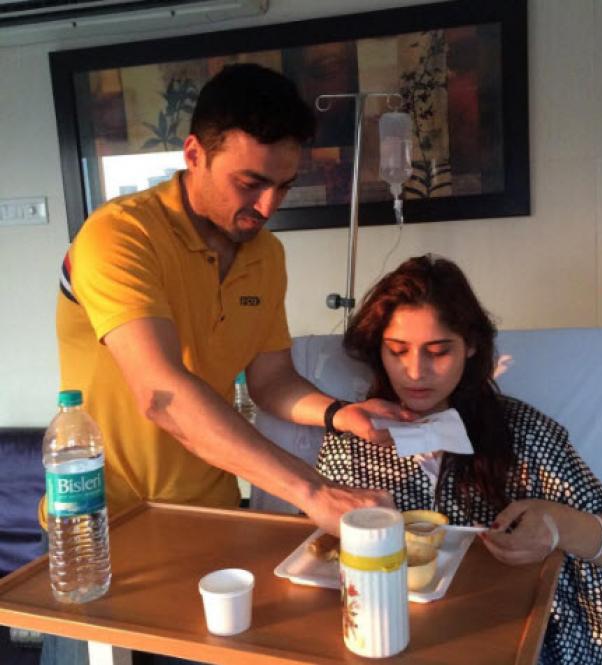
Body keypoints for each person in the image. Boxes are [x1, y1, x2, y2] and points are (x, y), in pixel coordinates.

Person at [40, 63, 409, 665]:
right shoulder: (119, 236)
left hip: (210, 519)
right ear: (194, 154)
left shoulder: (266, 256)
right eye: (250, 183)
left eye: (284, 186)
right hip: (103, 529)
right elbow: (162, 394)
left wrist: (341, 413)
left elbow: (272, 380)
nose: (268, 206)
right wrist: (313, 491)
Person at [316, 254, 602, 665]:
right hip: (383, 639)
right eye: (397, 350)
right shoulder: (353, 438)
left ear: (470, 346)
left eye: (438, 352)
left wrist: (557, 526)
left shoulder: (521, 432)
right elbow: (316, 558)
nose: (415, 372)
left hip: (509, 639)